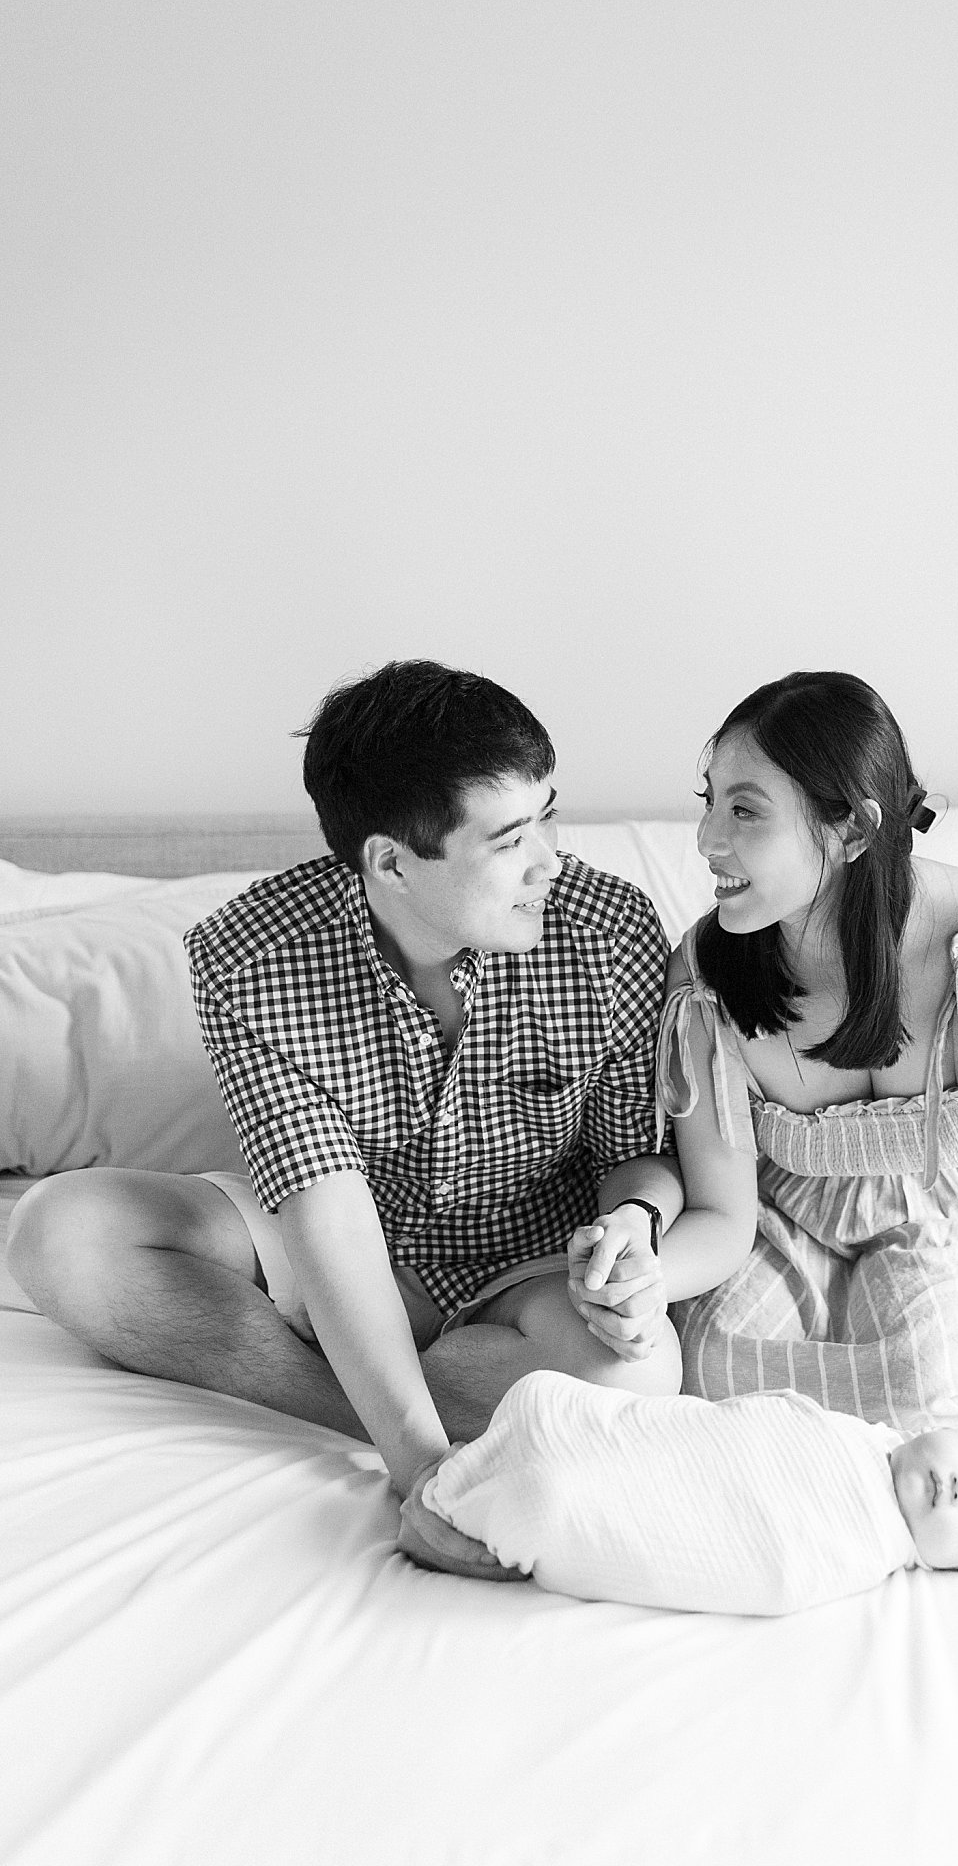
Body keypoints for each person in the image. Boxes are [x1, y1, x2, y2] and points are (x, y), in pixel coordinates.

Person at [6, 660, 756, 1576]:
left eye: (548, 815)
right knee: (58, 1232)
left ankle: (386, 1383)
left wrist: (630, 1228)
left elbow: (632, 1160)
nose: (550, 862)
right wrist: (420, 1468)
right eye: (512, 838)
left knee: (637, 1375)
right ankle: (379, 1395)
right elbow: (323, 1207)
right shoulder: (251, 957)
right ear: (392, 861)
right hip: (349, 1246)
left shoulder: (608, 930)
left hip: (530, 1257)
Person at [653, 671, 958, 1449]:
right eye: (708, 801)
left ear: (854, 829)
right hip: (788, 1222)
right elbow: (724, 1213)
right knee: (706, 1358)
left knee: (924, 1379)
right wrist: (640, 1276)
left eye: (744, 811)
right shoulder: (706, 973)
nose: (707, 840)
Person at [403, 1368, 958, 1612]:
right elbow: (717, 1435)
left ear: (945, 1566)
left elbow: (767, 1558)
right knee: (548, 1400)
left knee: (553, 1500)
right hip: (654, 1451)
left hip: (700, 1521)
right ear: (953, 1429)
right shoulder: (862, 1437)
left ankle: (489, 1504)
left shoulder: (857, 1548)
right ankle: (497, 1474)